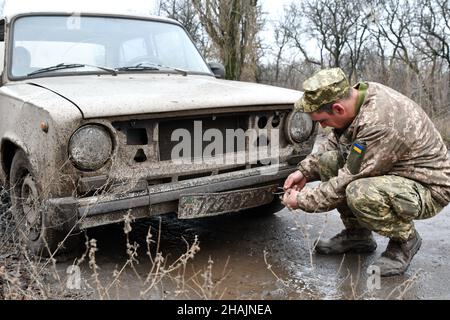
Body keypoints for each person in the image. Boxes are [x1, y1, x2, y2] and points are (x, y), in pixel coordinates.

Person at [282, 67, 450, 276]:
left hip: (428, 187)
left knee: (359, 192)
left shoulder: (379, 123)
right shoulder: (358, 100)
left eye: (322, 121)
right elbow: (337, 140)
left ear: (338, 109)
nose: (323, 127)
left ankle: (405, 241)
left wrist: (301, 200)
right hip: (395, 172)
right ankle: (358, 235)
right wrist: (304, 171)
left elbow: (346, 182)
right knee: (327, 161)